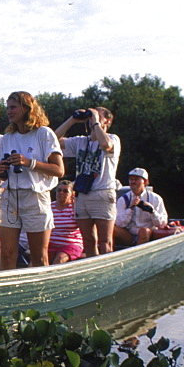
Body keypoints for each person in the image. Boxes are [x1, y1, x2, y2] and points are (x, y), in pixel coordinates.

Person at [0, 91, 65, 269]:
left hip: (36, 197)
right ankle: (7, 292)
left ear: (27, 108)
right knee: (7, 253)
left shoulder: (44, 134)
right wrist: (0, 171)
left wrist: (29, 162)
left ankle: (42, 294)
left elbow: (59, 170)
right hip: (10, 198)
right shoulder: (8, 137)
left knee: (38, 256)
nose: (9, 112)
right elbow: (2, 174)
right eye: (7, 108)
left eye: (13, 107)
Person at [54, 107, 120, 257]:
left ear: (108, 121)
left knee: (105, 242)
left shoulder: (113, 138)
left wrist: (97, 122)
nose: (92, 118)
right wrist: (72, 120)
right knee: (88, 240)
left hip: (102, 193)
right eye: (91, 115)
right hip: (82, 195)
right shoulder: (81, 141)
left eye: (97, 114)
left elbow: (105, 145)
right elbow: (52, 140)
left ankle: (107, 272)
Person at [113, 168, 169, 246]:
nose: (132, 182)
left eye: (136, 179)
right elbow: (119, 224)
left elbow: (162, 223)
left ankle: (136, 254)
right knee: (111, 229)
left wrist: (152, 212)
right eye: (131, 179)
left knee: (144, 231)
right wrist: (130, 208)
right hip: (129, 234)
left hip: (147, 234)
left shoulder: (156, 198)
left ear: (145, 182)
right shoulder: (123, 199)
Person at [48, 180, 84, 263]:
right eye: (59, 190)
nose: (61, 193)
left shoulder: (75, 207)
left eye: (65, 191)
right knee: (37, 259)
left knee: (60, 259)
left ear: (72, 194)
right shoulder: (49, 207)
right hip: (51, 244)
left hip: (71, 244)